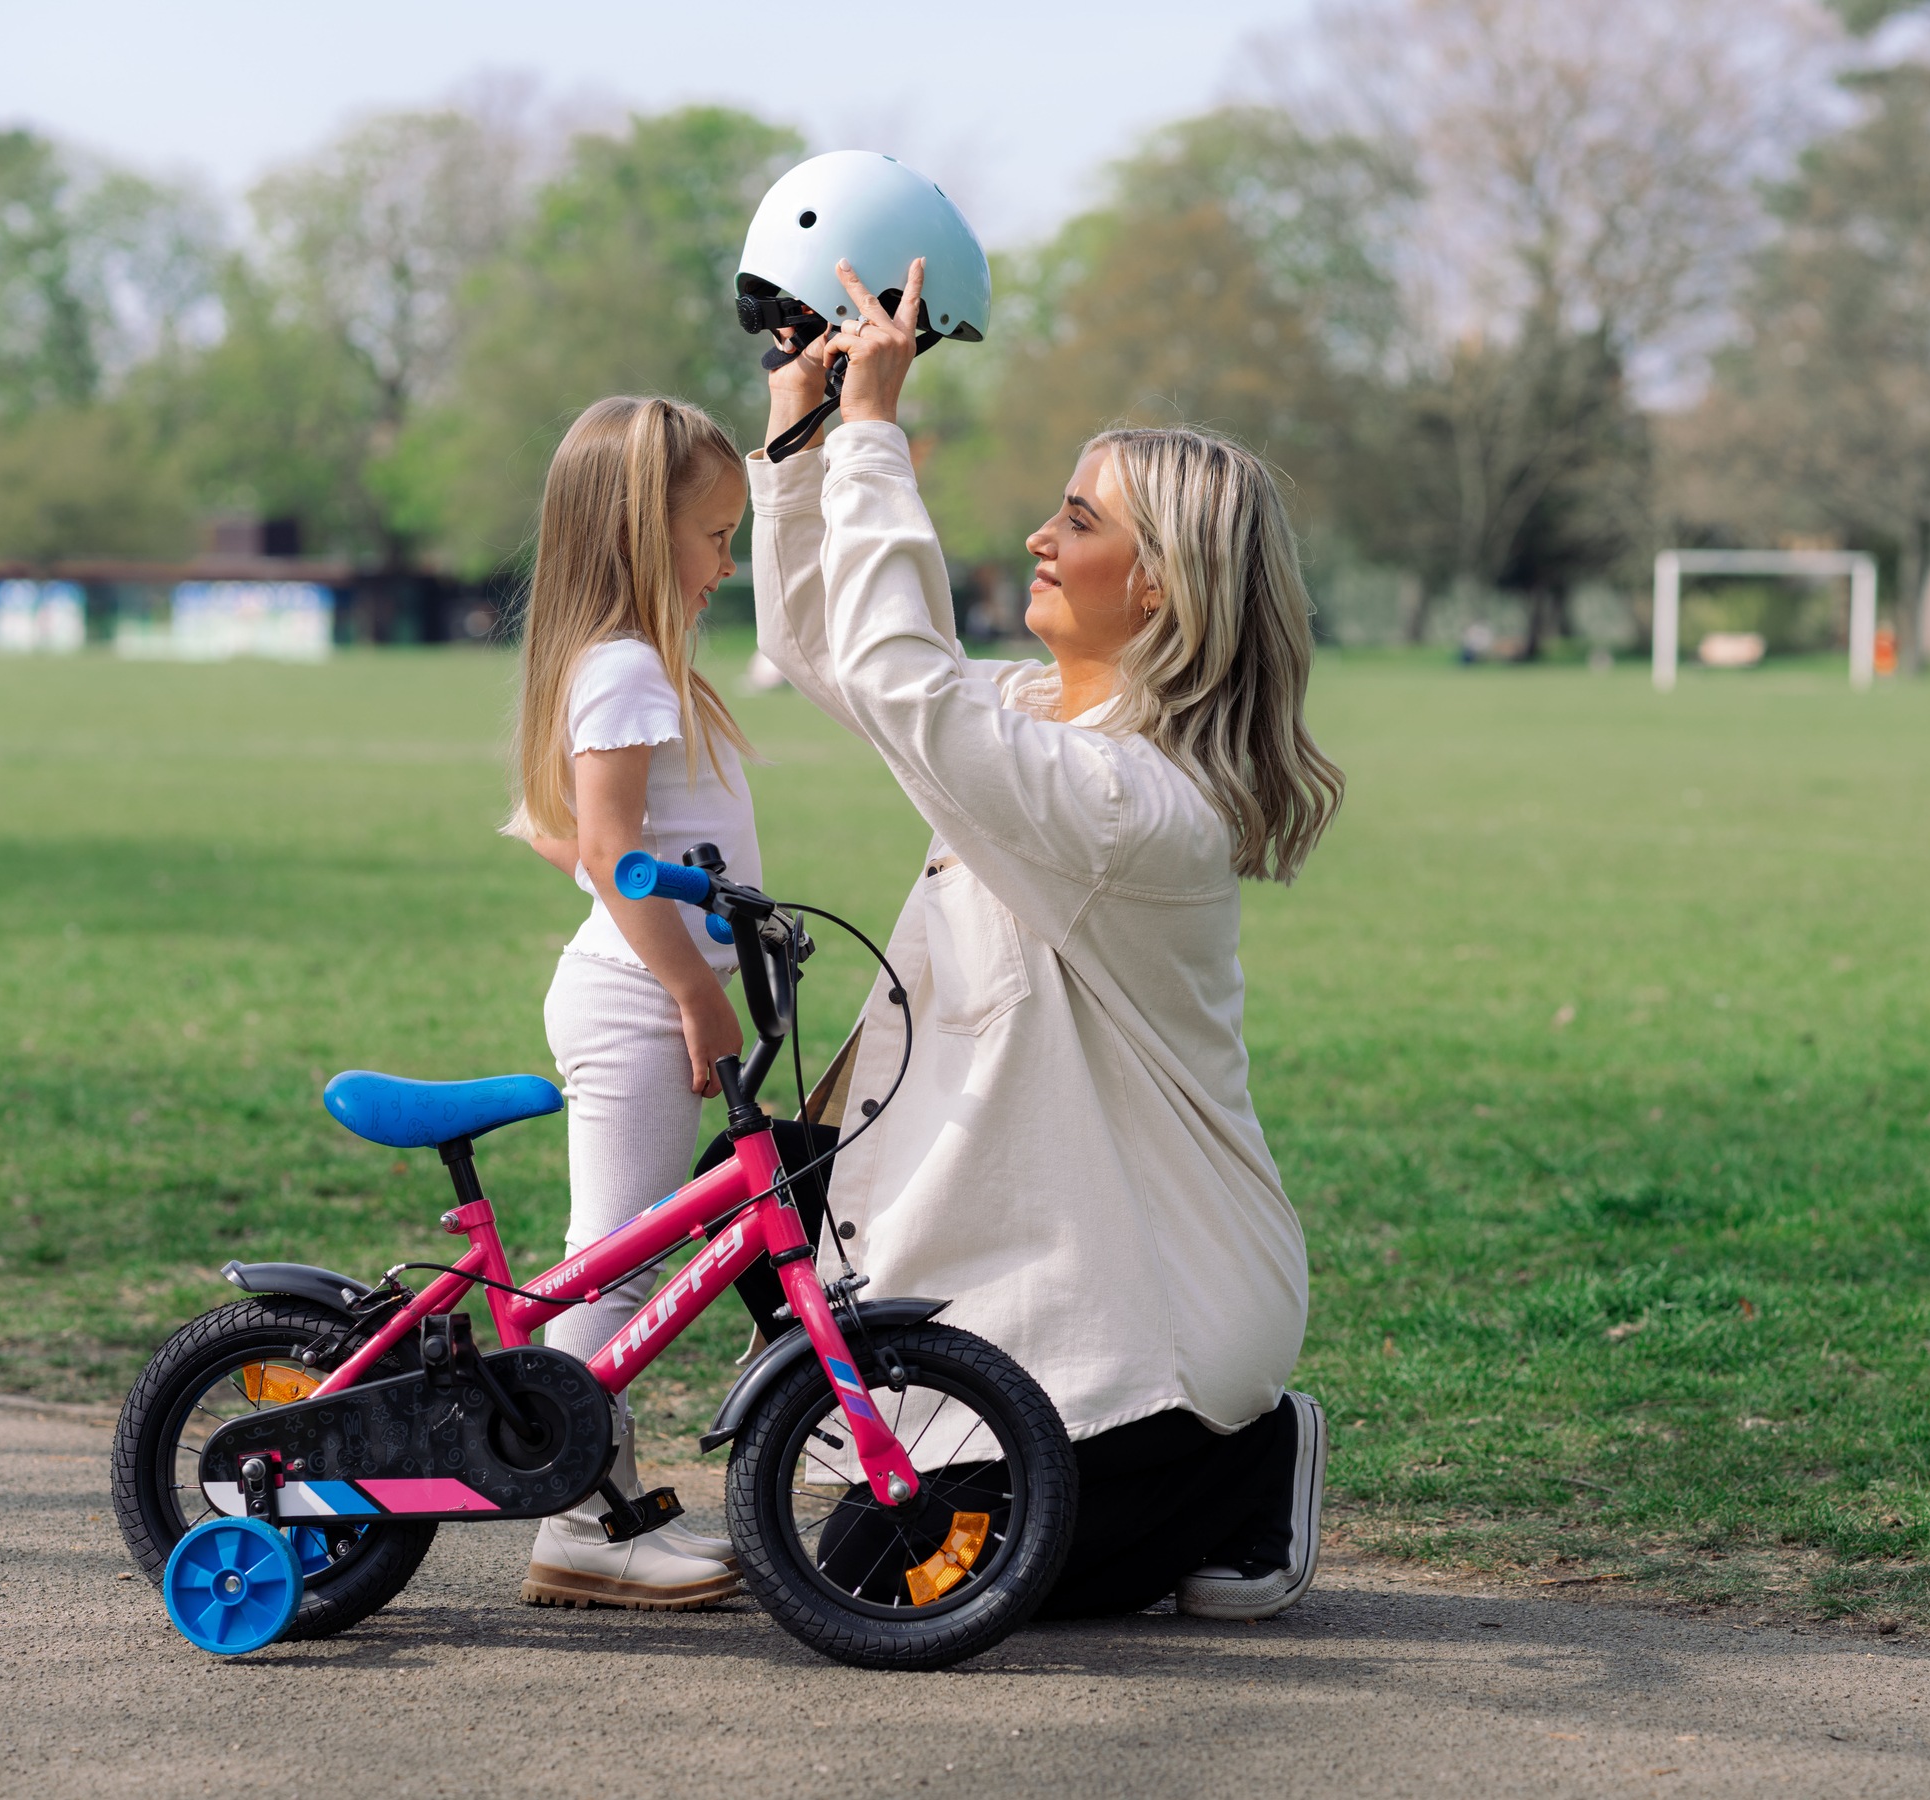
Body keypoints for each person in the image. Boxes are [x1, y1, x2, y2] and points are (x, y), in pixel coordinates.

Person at [751, 258, 1345, 1620]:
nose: (1039, 536)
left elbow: (901, 681)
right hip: (1006, 1280)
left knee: (889, 1593)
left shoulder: (1133, 805)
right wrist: (800, 429)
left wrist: (877, 433)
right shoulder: (1034, 726)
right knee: (858, 1558)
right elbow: (828, 645)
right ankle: (1119, 1479)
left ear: (1161, 587)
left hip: (1160, 1323)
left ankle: (1245, 1461)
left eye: (1078, 521)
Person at [500, 395, 757, 1610]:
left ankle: (595, 1508)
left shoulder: (627, 666)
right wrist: (697, 989)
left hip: (640, 991)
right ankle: (581, 1526)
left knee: (609, 1265)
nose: (725, 563)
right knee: (601, 1271)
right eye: (713, 536)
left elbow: (577, 835)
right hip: (637, 1004)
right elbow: (607, 850)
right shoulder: (627, 667)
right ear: (639, 532)